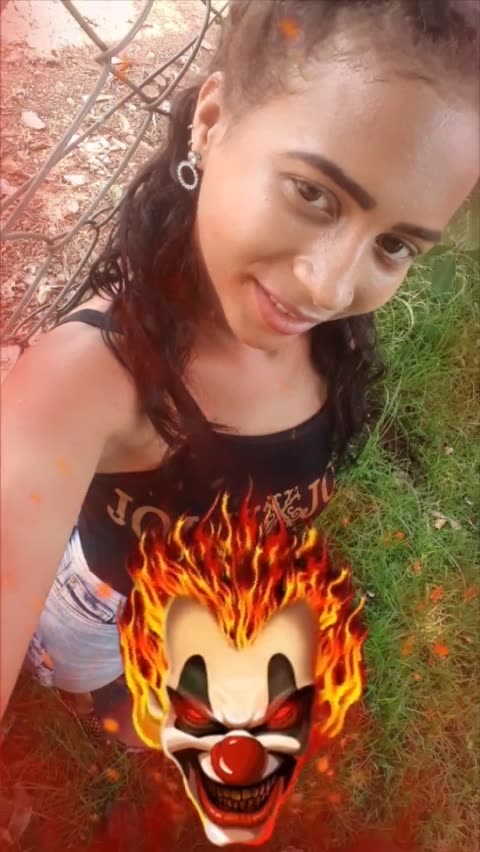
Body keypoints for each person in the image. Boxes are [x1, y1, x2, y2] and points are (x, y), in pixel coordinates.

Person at [2, 0, 479, 749]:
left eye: (394, 245)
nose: (331, 288)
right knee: (133, 727)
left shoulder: (317, 324)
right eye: (313, 194)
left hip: (209, 595)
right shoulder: (89, 377)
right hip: (103, 612)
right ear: (212, 120)